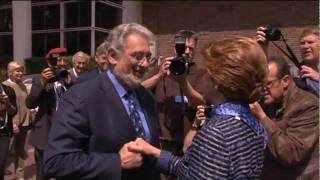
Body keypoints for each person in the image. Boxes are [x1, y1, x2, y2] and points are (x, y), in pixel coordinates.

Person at [128, 37, 269, 179]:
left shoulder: (218, 132)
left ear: (218, 83)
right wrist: (153, 152)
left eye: (208, 73)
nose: (204, 78)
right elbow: (193, 169)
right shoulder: (253, 124)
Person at [43, 23, 160, 180]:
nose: (145, 64)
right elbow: (56, 162)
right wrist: (115, 162)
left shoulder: (147, 97)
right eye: (138, 56)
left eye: (148, 57)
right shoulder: (81, 96)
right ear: (112, 56)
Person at [249, 57, 319, 179]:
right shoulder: (267, 103)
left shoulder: (308, 105)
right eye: (260, 84)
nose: (262, 89)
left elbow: (291, 153)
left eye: (268, 84)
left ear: (285, 81)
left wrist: (262, 117)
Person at [143, 30, 205, 157]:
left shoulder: (200, 74)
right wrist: (159, 76)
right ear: (175, 48)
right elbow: (138, 90)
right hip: (164, 140)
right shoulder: (162, 69)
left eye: (191, 48)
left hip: (190, 138)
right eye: (183, 47)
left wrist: (183, 82)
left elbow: (202, 101)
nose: (187, 52)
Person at [26, 47, 70, 180]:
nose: (61, 63)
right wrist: (43, 82)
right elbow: (30, 103)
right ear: (49, 62)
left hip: (64, 132)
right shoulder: (39, 78)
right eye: (57, 60)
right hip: (45, 133)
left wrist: (69, 82)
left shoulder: (66, 77)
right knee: (43, 173)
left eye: (63, 59)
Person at [256, 26, 319, 96]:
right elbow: (264, 76)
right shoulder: (293, 72)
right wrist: (263, 49)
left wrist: (318, 78)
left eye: (310, 42)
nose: (305, 46)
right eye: (302, 43)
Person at [2, 61, 33, 179]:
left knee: (21, 150)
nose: (21, 73)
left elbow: (24, 103)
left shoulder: (22, 84)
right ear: (10, 73)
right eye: (17, 70)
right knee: (5, 152)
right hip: (10, 124)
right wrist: (13, 123)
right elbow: (6, 108)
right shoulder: (5, 85)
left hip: (24, 122)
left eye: (21, 70)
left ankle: (20, 176)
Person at [0, 79, 17, 180]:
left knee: (1, 164)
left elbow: (13, 111)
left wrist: (7, 103)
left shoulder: (9, 90)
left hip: (4, 132)